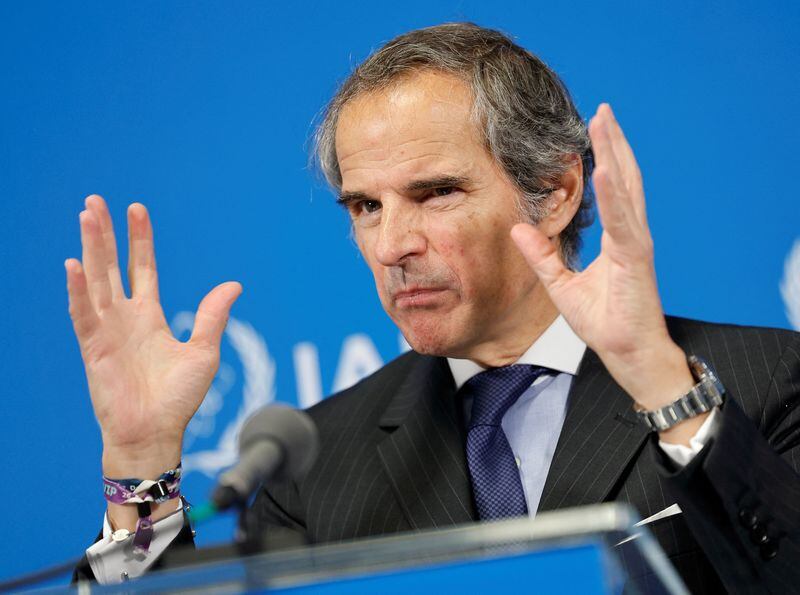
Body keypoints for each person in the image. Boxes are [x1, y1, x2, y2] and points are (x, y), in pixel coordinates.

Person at [68, 23, 800, 592]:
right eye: (365, 206)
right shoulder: (315, 463)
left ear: (555, 192)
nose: (391, 245)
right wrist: (140, 464)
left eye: (435, 192)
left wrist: (662, 387)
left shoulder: (770, 380)